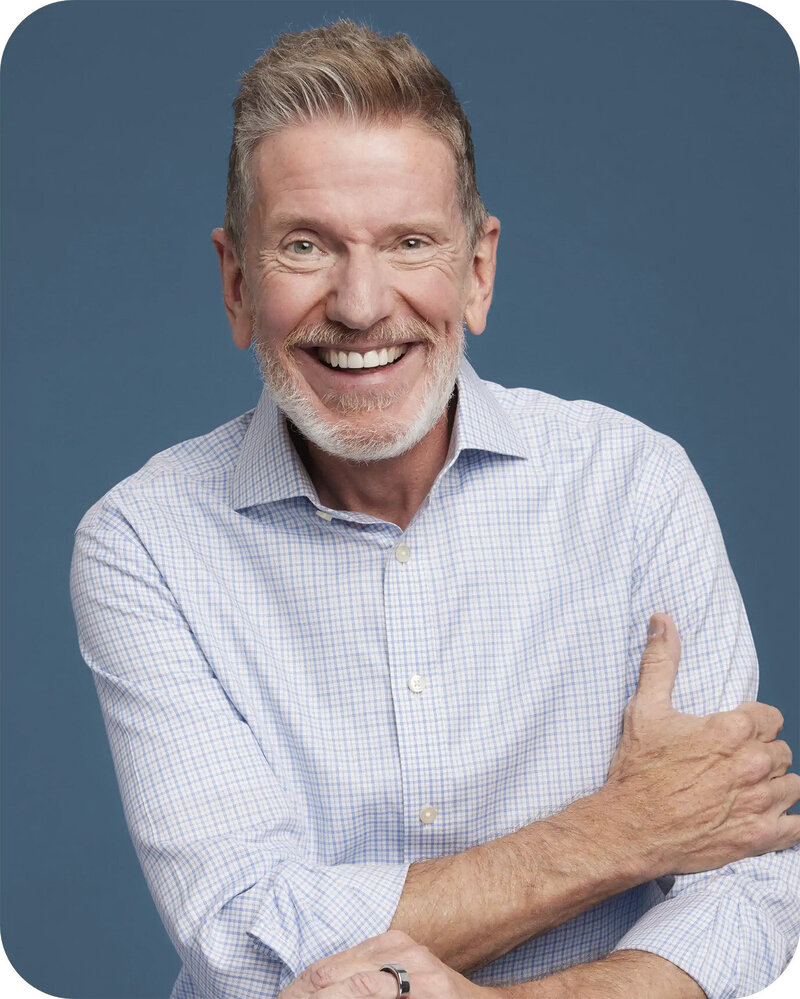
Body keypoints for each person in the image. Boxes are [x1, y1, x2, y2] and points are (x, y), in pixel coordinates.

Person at [70, 20, 800, 999]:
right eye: (303, 247)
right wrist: (622, 830)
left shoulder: (634, 485)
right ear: (238, 283)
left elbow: (747, 878)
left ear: (478, 270)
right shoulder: (143, 543)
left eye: (409, 242)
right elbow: (244, 938)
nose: (363, 304)